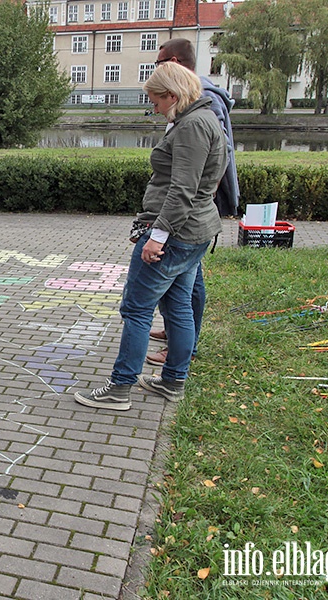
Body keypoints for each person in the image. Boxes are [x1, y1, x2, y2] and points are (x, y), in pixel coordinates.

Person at [74, 62, 226, 411]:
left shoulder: (192, 126)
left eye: (156, 100)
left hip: (175, 235)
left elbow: (182, 188)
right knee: (178, 306)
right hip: (194, 233)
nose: (154, 107)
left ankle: (120, 387)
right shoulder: (203, 120)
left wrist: (157, 235)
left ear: (173, 95)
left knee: (137, 309)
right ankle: (173, 382)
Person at [146, 38, 240, 366]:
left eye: (159, 64)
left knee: (169, 295)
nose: (155, 107)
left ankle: (180, 351)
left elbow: (213, 158)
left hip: (187, 222)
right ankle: (177, 354)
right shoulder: (189, 105)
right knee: (182, 291)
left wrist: (161, 231)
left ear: (172, 63)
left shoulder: (201, 104)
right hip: (190, 218)